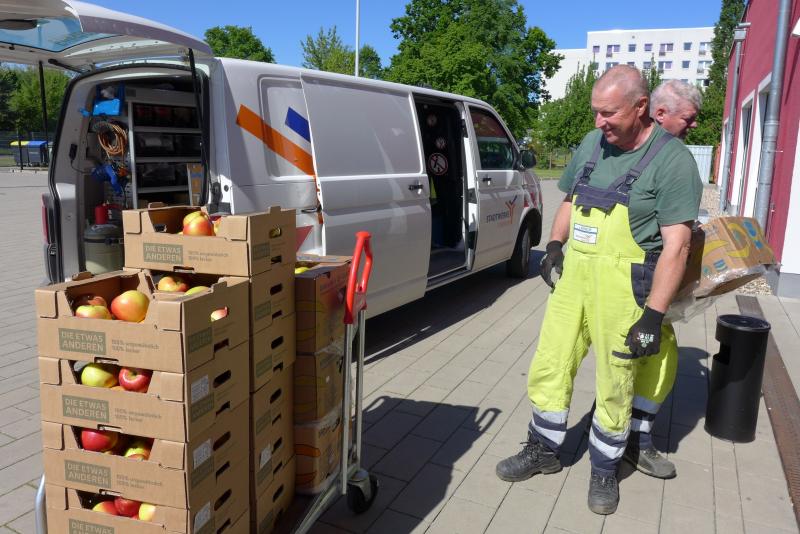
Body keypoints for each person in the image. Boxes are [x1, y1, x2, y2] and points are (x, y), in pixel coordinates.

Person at [495, 66, 702, 515]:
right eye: (595, 112)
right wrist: (555, 244)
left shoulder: (672, 161)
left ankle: (605, 467)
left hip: (625, 286)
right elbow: (570, 200)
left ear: (641, 107)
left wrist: (653, 315)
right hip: (575, 278)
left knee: (615, 378)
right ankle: (543, 448)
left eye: (608, 113)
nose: (598, 122)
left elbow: (678, 246)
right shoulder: (593, 143)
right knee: (551, 361)